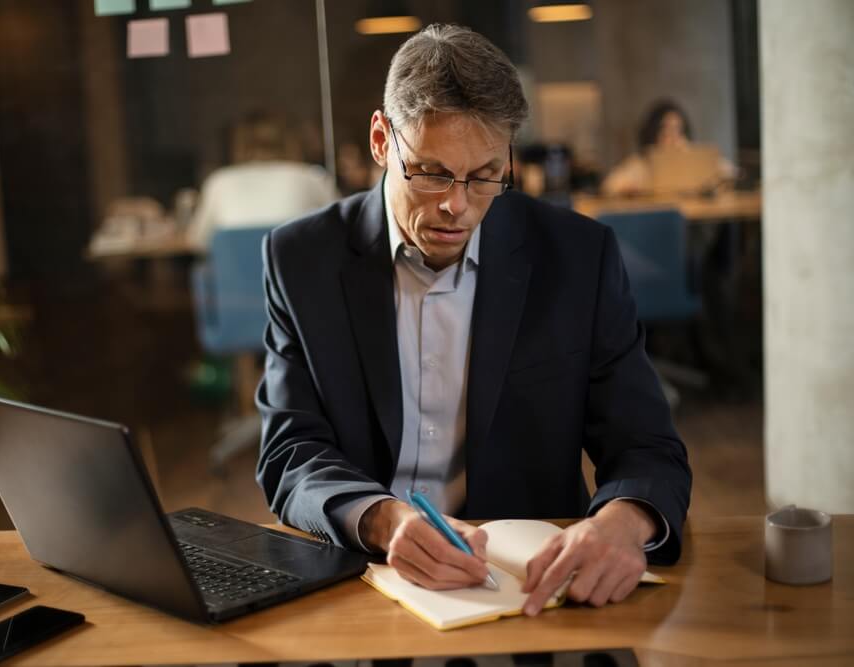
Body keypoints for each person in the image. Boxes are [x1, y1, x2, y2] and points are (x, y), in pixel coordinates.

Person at [256, 24, 691, 616]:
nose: (456, 205)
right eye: (432, 172)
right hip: (364, 580)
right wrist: (383, 520)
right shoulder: (302, 259)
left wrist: (624, 520)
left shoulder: (577, 258)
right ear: (382, 140)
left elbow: (646, 446)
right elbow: (291, 450)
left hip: (531, 592)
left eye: (485, 175)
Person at [187, 113, 339, 247]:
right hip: (299, 277)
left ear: (239, 144)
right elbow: (346, 232)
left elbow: (197, 240)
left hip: (234, 279)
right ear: (292, 142)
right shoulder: (313, 177)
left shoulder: (219, 181)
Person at [601, 99, 735, 196]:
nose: (672, 136)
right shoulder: (642, 163)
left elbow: (730, 173)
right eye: (665, 130)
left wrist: (688, 152)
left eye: (678, 130)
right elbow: (610, 185)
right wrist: (633, 189)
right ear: (653, 132)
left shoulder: (693, 160)